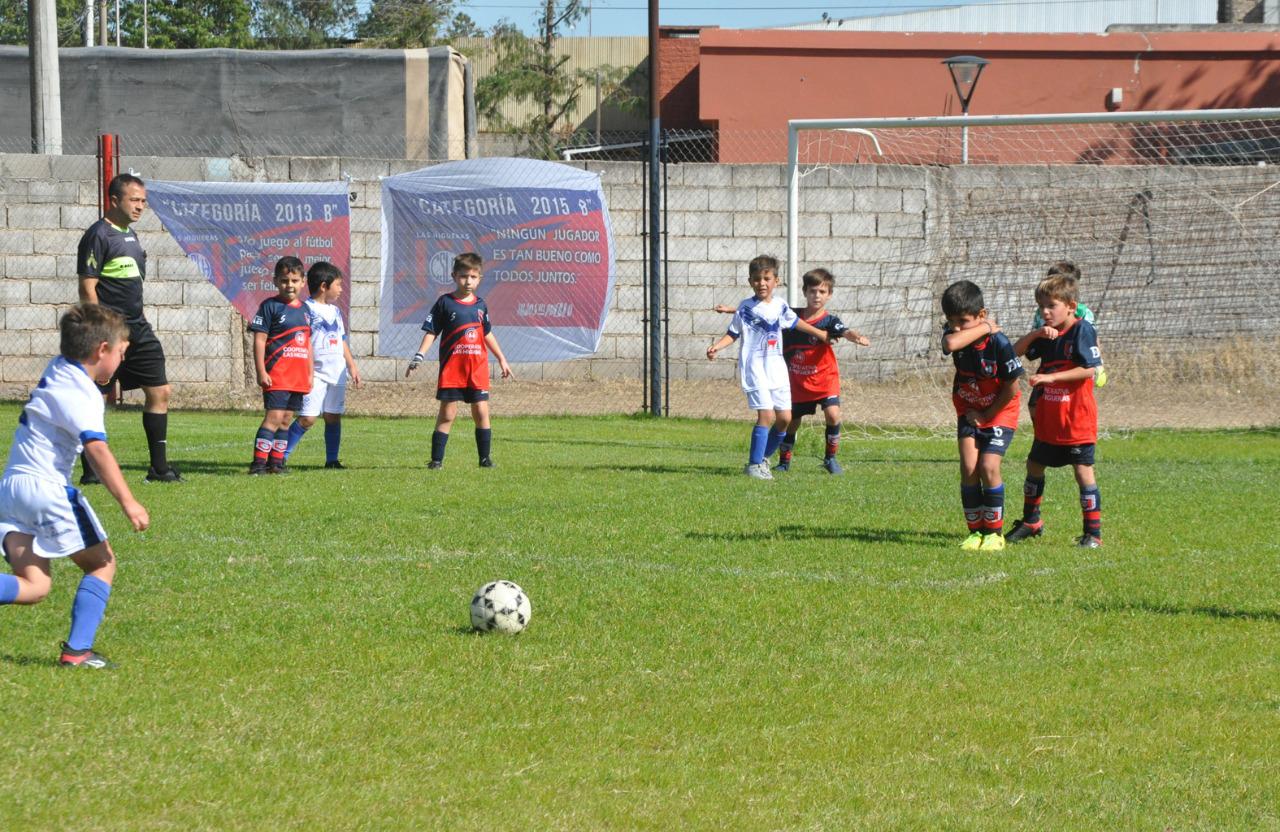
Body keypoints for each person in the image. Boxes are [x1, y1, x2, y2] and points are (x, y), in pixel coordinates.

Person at [0, 304, 150, 668]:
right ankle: (78, 653)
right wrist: (129, 502)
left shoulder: (59, 367)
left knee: (35, 585)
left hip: (10, 489)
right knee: (102, 564)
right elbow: (96, 448)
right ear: (101, 350)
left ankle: (77, 652)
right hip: (45, 490)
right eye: (120, 352)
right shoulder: (82, 394)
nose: (120, 360)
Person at [76, 172, 182, 484]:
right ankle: (91, 471)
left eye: (143, 201)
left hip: (138, 328)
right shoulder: (98, 235)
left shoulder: (130, 235)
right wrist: (101, 332)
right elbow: (87, 288)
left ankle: (159, 469)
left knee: (160, 391)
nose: (140, 207)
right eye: (134, 200)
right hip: (109, 333)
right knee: (95, 398)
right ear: (113, 201)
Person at [706, 254, 831, 480]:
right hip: (755, 370)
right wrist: (717, 346)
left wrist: (821, 333)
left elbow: (796, 322)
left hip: (777, 370)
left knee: (784, 418)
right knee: (765, 415)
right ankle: (754, 465)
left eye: (766, 278)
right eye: (756, 279)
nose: (761, 283)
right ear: (750, 281)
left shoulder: (780, 305)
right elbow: (733, 333)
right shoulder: (745, 308)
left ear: (776, 281)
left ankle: (763, 458)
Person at [1008, 273, 1104, 548]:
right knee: (1034, 465)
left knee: (1083, 472)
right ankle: (1031, 521)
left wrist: (1049, 378)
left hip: (1076, 419)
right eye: (1041, 307)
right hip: (1050, 418)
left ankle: (1093, 534)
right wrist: (1037, 332)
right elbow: (1014, 352)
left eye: (1051, 306)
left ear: (1071, 306)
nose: (1045, 312)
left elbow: (1088, 369)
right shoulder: (1048, 334)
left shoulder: (1082, 330)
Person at [405, 252, 513, 468]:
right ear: (454, 276)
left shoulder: (481, 306)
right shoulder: (445, 302)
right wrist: (420, 355)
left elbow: (487, 333)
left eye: (473, 277)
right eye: (464, 276)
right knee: (447, 413)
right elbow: (431, 331)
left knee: (481, 411)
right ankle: (436, 460)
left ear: (480, 278)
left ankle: (484, 459)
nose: (468, 281)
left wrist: (502, 358)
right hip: (453, 370)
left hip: (477, 369)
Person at [939, 280, 1024, 552]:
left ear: (981, 314)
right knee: (968, 468)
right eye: (951, 321)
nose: (956, 326)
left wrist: (988, 413)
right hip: (968, 408)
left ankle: (994, 533)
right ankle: (975, 533)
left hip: (999, 410)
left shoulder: (999, 343)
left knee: (988, 467)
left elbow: (1012, 386)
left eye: (963, 320)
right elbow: (951, 342)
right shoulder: (959, 333)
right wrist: (983, 327)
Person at [776, 268, 870, 475]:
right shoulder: (791, 316)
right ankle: (784, 462)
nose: (816, 296)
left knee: (833, 415)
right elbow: (763, 312)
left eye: (822, 292)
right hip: (798, 381)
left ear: (829, 295)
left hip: (825, 379)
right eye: (812, 291)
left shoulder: (829, 321)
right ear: (804, 292)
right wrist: (732, 310)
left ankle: (830, 459)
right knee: (791, 423)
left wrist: (855, 337)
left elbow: (845, 330)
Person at [283, 262, 362, 469]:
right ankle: (280, 456)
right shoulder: (305, 310)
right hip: (315, 373)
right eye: (338, 285)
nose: (341, 289)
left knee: (333, 416)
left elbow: (341, 338)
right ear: (324, 286)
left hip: (336, 373)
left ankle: (332, 460)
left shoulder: (335, 311)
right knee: (308, 418)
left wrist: (352, 366)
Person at [248, 257, 313, 475]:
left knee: (285, 420)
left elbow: (307, 344)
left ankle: (276, 464)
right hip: (277, 375)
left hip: (298, 377)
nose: (290, 285)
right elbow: (259, 340)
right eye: (284, 280)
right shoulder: (270, 306)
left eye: (295, 280)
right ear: (275, 281)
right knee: (274, 418)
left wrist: (310, 374)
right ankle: (258, 464)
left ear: (303, 282)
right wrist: (261, 370)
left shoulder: (305, 309)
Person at [1031, 260, 1107, 388]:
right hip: (1051, 359)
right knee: (1035, 403)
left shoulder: (1083, 312)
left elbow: (1092, 338)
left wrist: (1096, 362)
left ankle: (1097, 365)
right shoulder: (1041, 313)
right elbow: (1035, 339)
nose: (1045, 311)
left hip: (1074, 359)